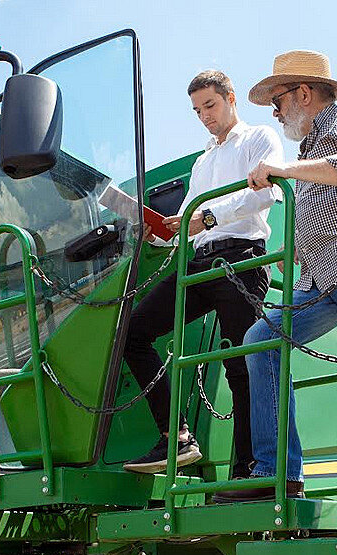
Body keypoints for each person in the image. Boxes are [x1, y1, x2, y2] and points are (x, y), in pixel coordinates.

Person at [213, 50, 337, 534]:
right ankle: (276, 473)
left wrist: (283, 172)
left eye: (278, 102)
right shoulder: (307, 153)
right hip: (322, 275)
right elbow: (320, 206)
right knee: (260, 342)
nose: (276, 113)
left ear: (304, 93)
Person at [121, 70, 284, 477]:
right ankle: (175, 437)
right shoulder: (202, 161)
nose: (205, 116)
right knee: (133, 331)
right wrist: (156, 235)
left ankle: (248, 473)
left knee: (240, 366)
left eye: (210, 105)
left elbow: (265, 192)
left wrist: (207, 216)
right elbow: (187, 225)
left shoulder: (259, 138)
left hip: (241, 261)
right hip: (199, 263)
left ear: (231, 99)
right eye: (197, 111)